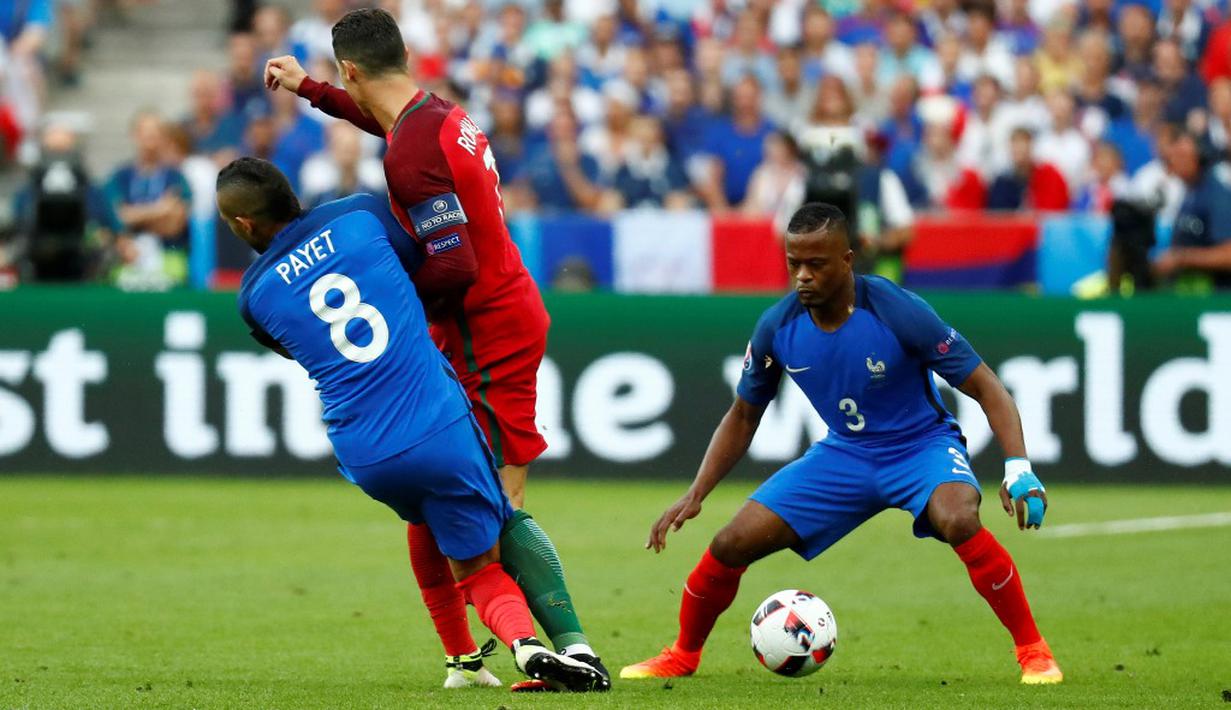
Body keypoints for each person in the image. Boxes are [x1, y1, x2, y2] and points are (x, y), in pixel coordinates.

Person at [262, 7, 607, 688]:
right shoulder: (434, 115)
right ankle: (469, 658)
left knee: (486, 505)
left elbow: (453, 266)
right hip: (501, 313)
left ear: (353, 69)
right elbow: (389, 131)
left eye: (340, 79)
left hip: (485, 332)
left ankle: (569, 650)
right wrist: (309, 88)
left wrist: (397, 306)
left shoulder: (412, 148)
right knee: (435, 494)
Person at [619, 202, 1062, 686]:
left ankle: (1034, 651)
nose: (803, 277)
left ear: (847, 260)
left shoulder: (898, 310)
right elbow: (743, 415)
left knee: (958, 518)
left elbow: (986, 387)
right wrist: (696, 492)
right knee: (730, 543)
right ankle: (683, 654)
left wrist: (1018, 465)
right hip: (845, 455)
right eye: (794, 264)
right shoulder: (777, 327)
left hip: (921, 448)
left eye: (817, 264)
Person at [217, 157, 606, 694]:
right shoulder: (359, 216)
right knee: (482, 555)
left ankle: (464, 662)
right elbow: (433, 266)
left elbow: (300, 345)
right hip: (437, 424)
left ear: (242, 224)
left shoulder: (253, 300)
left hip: (365, 451)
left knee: (427, 517)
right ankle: (531, 645)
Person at [1153, 132, 1231, 290]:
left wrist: (1181, 258)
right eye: (1172, 156)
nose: (1174, 161)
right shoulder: (1189, 193)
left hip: (1217, 300)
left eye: (1181, 155)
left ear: (1200, 157)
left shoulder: (1216, 195)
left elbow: (1228, 254)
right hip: (1192, 293)